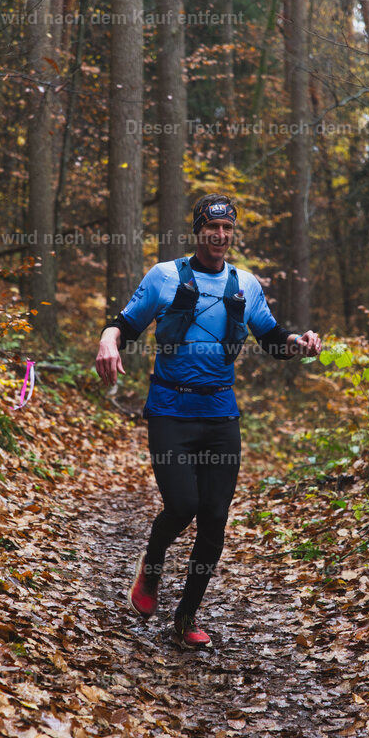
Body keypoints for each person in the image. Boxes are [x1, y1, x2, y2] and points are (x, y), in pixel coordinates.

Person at [95, 194, 322, 650]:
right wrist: (108, 340)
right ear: (198, 230)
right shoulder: (165, 276)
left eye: (227, 229)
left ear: (232, 233)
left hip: (220, 414)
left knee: (215, 518)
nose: (220, 236)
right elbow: (125, 323)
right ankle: (152, 566)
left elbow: (273, 340)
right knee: (182, 506)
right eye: (211, 228)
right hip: (170, 411)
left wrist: (300, 342)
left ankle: (186, 617)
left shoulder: (245, 284)